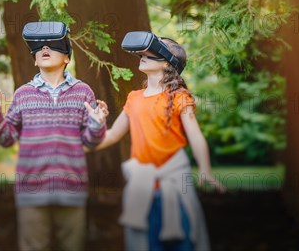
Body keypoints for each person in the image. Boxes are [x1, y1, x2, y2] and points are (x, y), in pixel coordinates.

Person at [0, 21, 108, 251]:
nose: (44, 48)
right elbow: (6, 138)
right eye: (39, 47)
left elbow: (91, 141)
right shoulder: (23, 94)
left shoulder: (83, 92)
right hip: (31, 191)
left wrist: (97, 124)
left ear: (67, 57)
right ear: (35, 59)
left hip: (71, 188)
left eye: (53, 45)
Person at [94, 33, 226, 251]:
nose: (143, 54)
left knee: (182, 244)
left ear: (167, 62)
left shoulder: (179, 96)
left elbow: (195, 135)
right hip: (142, 189)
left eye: (154, 50)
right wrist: (77, 144)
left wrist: (205, 170)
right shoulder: (134, 98)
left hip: (173, 187)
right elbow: (112, 135)